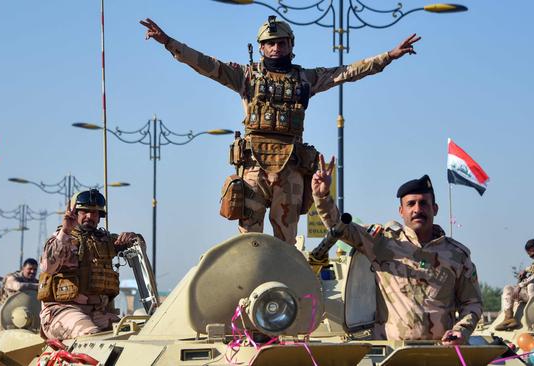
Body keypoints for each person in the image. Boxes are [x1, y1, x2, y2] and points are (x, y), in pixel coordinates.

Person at [140, 16, 420, 245]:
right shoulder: (246, 75)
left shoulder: (306, 78)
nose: (276, 48)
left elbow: (347, 71)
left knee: (286, 242)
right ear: (261, 48)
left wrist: (388, 56)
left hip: (291, 170)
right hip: (253, 169)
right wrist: (168, 42)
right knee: (249, 240)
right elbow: (204, 63)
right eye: (270, 43)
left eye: (281, 43)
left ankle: (287, 294)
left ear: (291, 46)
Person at [312, 155, 482, 344]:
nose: (417, 209)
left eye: (423, 203)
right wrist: (323, 196)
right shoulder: (381, 242)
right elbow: (339, 227)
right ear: (401, 211)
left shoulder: (457, 254)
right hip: (394, 353)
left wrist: (461, 330)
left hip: (442, 352)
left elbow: (472, 302)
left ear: (435, 208)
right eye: (410, 204)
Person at [38, 189, 142, 339]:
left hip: (98, 312)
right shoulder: (61, 239)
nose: (90, 216)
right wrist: (66, 230)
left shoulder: (106, 241)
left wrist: (133, 238)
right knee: (92, 337)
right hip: (62, 312)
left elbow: (138, 248)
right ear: (74, 213)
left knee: (133, 336)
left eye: (95, 213)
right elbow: (47, 267)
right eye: (84, 211)